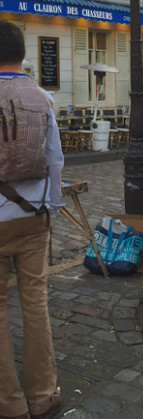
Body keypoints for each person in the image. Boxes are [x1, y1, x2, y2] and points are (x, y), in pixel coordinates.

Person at [0, 21, 64, 419]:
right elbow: (55, 162)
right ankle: (42, 396)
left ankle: (9, 403)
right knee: (35, 303)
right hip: (32, 219)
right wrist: (49, 210)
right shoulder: (41, 97)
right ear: (23, 55)